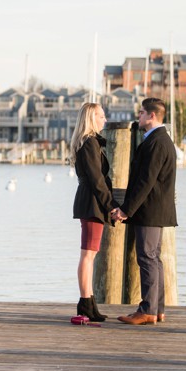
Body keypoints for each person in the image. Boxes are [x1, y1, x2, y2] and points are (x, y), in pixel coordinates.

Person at [111, 97, 177, 325]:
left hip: (150, 209)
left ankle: (148, 309)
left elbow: (145, 181)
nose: (137, 117)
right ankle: (156, 308)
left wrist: (126, 210)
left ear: (152, 115)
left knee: (147, 258)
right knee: (153, 259)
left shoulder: (157, 142)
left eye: (141, 113)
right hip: (155, 209)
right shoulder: (158, 139)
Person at [70, 102, 122, 322]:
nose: (105, 119)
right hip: (92, 202)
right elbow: (97, 180)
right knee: (88, 254)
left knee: (89, 254)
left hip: (89, 201)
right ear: (92, 118)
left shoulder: (87, 142)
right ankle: (85, 303)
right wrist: (111, 205)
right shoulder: (90, 143)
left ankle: (88, 302)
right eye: (101, 116)